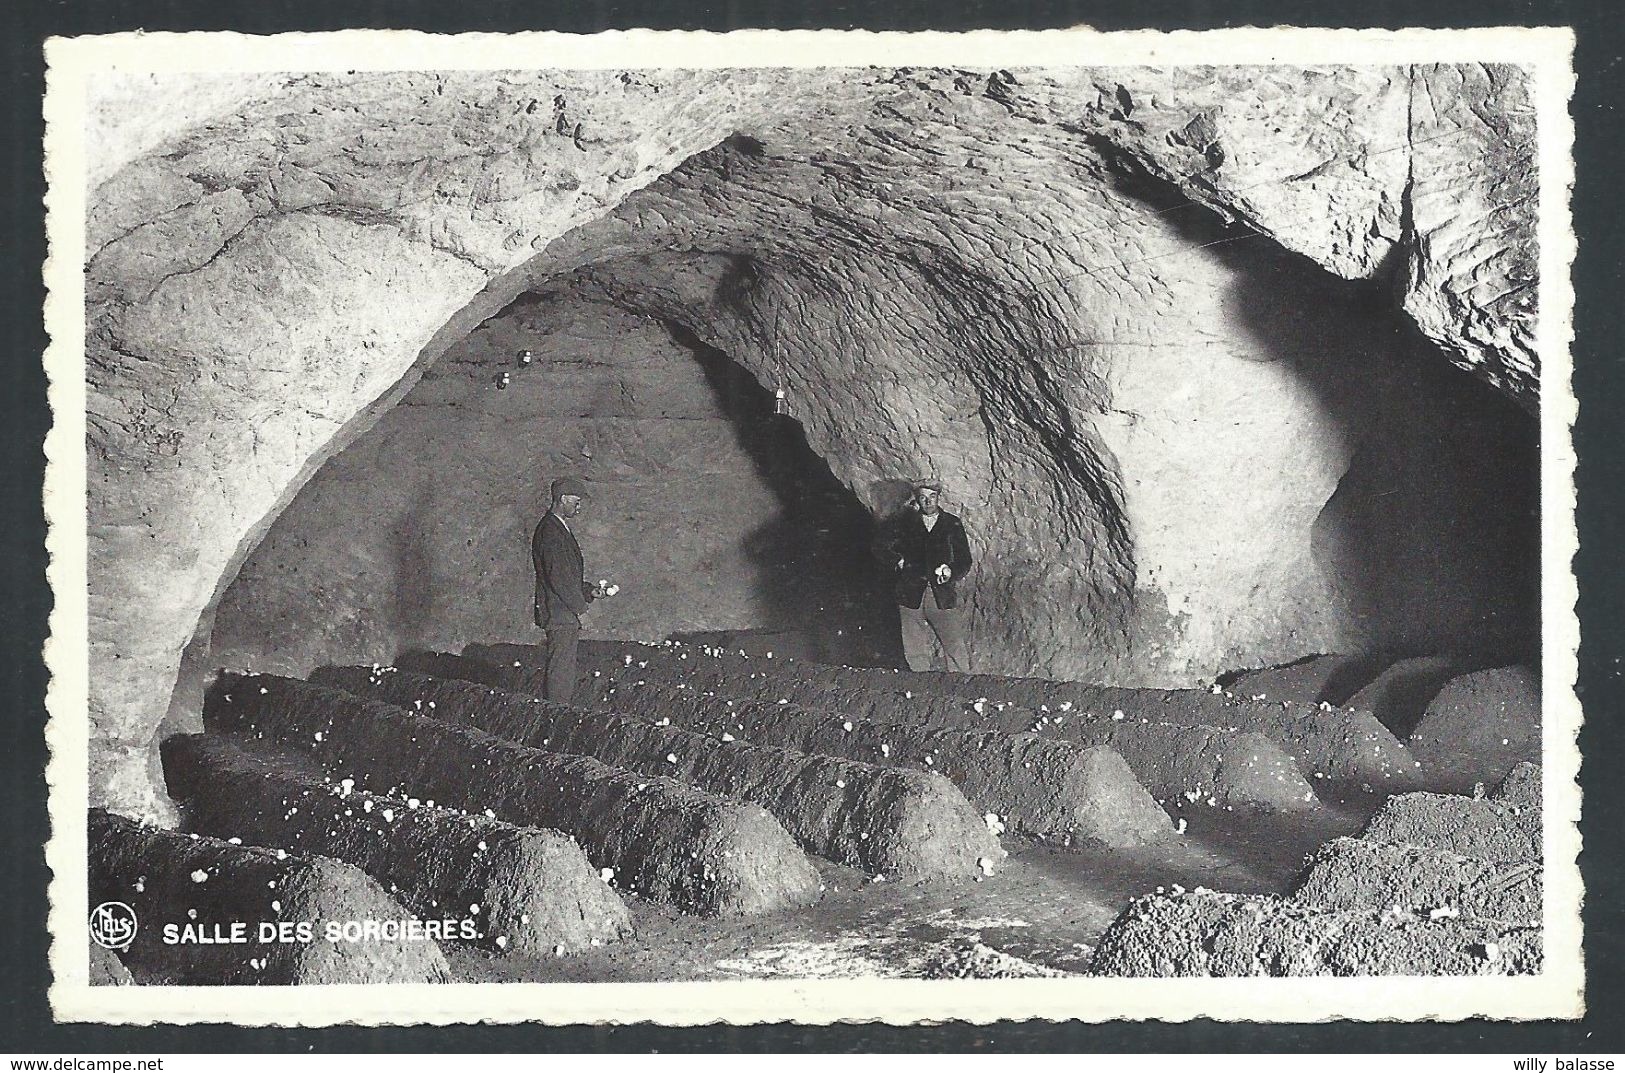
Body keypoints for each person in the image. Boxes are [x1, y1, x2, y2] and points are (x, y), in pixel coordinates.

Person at [532, 477, 611, 704]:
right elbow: (559, 577)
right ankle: (556, 716)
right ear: (564, 499)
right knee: (561, 671)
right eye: (576, 502)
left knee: (563, 667)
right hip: (560, 613)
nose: (579, 507)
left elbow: (565, 575)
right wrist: (581, 611)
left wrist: (588, 591)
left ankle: (557, 712)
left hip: (561, 611)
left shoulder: (556, 529)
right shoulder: (551, 531)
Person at [884, 479, 973, 672]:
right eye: (923, 498)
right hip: (909, 593)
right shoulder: (905, 524)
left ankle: (963, 685)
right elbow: (880, 546)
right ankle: (921, 689)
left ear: (938, 498)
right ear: (917, 500)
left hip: (940, 593)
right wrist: (897, 560)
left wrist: (951, 571)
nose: (928, 502)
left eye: (932, 497)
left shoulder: (951, 524)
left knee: (954, 645)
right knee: (914, 648)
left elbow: (964, 560)